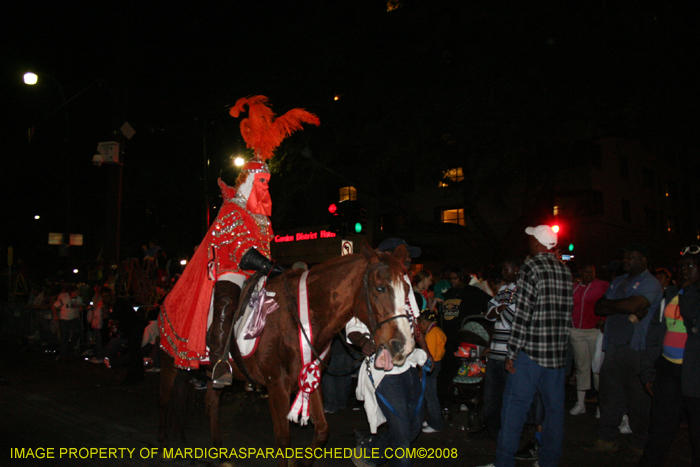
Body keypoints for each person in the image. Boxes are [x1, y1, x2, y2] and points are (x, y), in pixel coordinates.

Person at [158, 96, 319, 387]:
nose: (266, 188)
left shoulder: (263, 220)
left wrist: (274, 271)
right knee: (226, 301)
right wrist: (275, 268)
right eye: (262, 183)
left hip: (258, 273)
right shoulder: (233, 209)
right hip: (232, 267)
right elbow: (242, 251)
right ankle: (219, 361)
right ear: (248, 182)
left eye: (268, 183)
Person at [479, 225, 573, 467]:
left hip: (530, 353)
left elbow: (523, 313)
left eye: (532, 237)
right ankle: (549, 460)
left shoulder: (531, 267)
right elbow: (566, 313)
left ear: (539, 243)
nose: (529, 240)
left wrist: (512, 351)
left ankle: (504, 462)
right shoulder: (565, 270)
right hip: (556, 354)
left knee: (513, 410)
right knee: (554, 412)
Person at [350, 237, 429, 467]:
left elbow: (414, 320)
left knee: (413, 426)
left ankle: (370, 450)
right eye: (404, 258)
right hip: (384, 371)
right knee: (403, 439)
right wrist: (364, 341)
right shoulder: (369, 284)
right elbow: (352, 328)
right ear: (386, 257)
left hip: (409, 364)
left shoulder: (403, 283)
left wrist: (426, 352)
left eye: (408, 258)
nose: (409, 262)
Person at [584, 243, 662, 456]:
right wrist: (624, 305)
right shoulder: (618, 281)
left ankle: (639, 442)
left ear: (644, 260)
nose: (626, 261)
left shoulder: (650, 283)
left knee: (639, 400)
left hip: (638, 349)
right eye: (625, 257)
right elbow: (599, 307)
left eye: (632, 257)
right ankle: (606, 438)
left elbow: (631, 305)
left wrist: (615, 305)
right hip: (614, 347)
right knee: (610, 396)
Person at [638, 246, 700, 466]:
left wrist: (690, 290)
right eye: (682, 266)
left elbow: (692, 316)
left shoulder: (690, 295)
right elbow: (654, 335)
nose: (684, 270)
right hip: (668, 371)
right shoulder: (671, 295)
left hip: (694, 374)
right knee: (659, 431)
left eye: (690, 265)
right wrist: (649, 370)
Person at [477, 258, 521, 439]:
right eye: (502, 270)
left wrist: (501, 309)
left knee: (509, 398)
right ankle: (491, 429)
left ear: (516, 269)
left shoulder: (522, 290)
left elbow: (515, 317)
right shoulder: (503, 291)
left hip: (510, 354)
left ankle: (507, 433)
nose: (503, 273)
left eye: (506, 268)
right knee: (491, 397)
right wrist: (502, 308)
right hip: (495, 352)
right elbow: (489, 314)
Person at [569, 264, 609, 415]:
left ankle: (601, 405)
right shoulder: (574, 287)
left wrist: (603, 319)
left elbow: (609, 302)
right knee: (581, 367)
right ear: (580, 272)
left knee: (597, 368)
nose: (588, 274)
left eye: (591, 271)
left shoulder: (601, 285)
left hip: (594, 332)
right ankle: (580, 403)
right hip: (576, 332)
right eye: (585, 271)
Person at [419, 308, 446, 434]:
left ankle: (436, 424)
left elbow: (429, 355)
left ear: (424, 323)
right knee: (431, 395)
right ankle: (432, 420)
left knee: (430, 397)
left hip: (431, 366)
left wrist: (421, 370)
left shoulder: (431, 334)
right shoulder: (438, 331)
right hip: (438, 364)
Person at [54, 284, 85, 361]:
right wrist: (55, 315)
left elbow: (82, 305)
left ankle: (70, 347)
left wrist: (82, 307)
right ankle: (64, 355)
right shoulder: (65, 299)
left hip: (74, 318)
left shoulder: (79, 299)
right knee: (64, 336)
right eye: (76, 291)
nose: (78, 293)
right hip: (64, 319)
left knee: (78, 332)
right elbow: (54, 306)